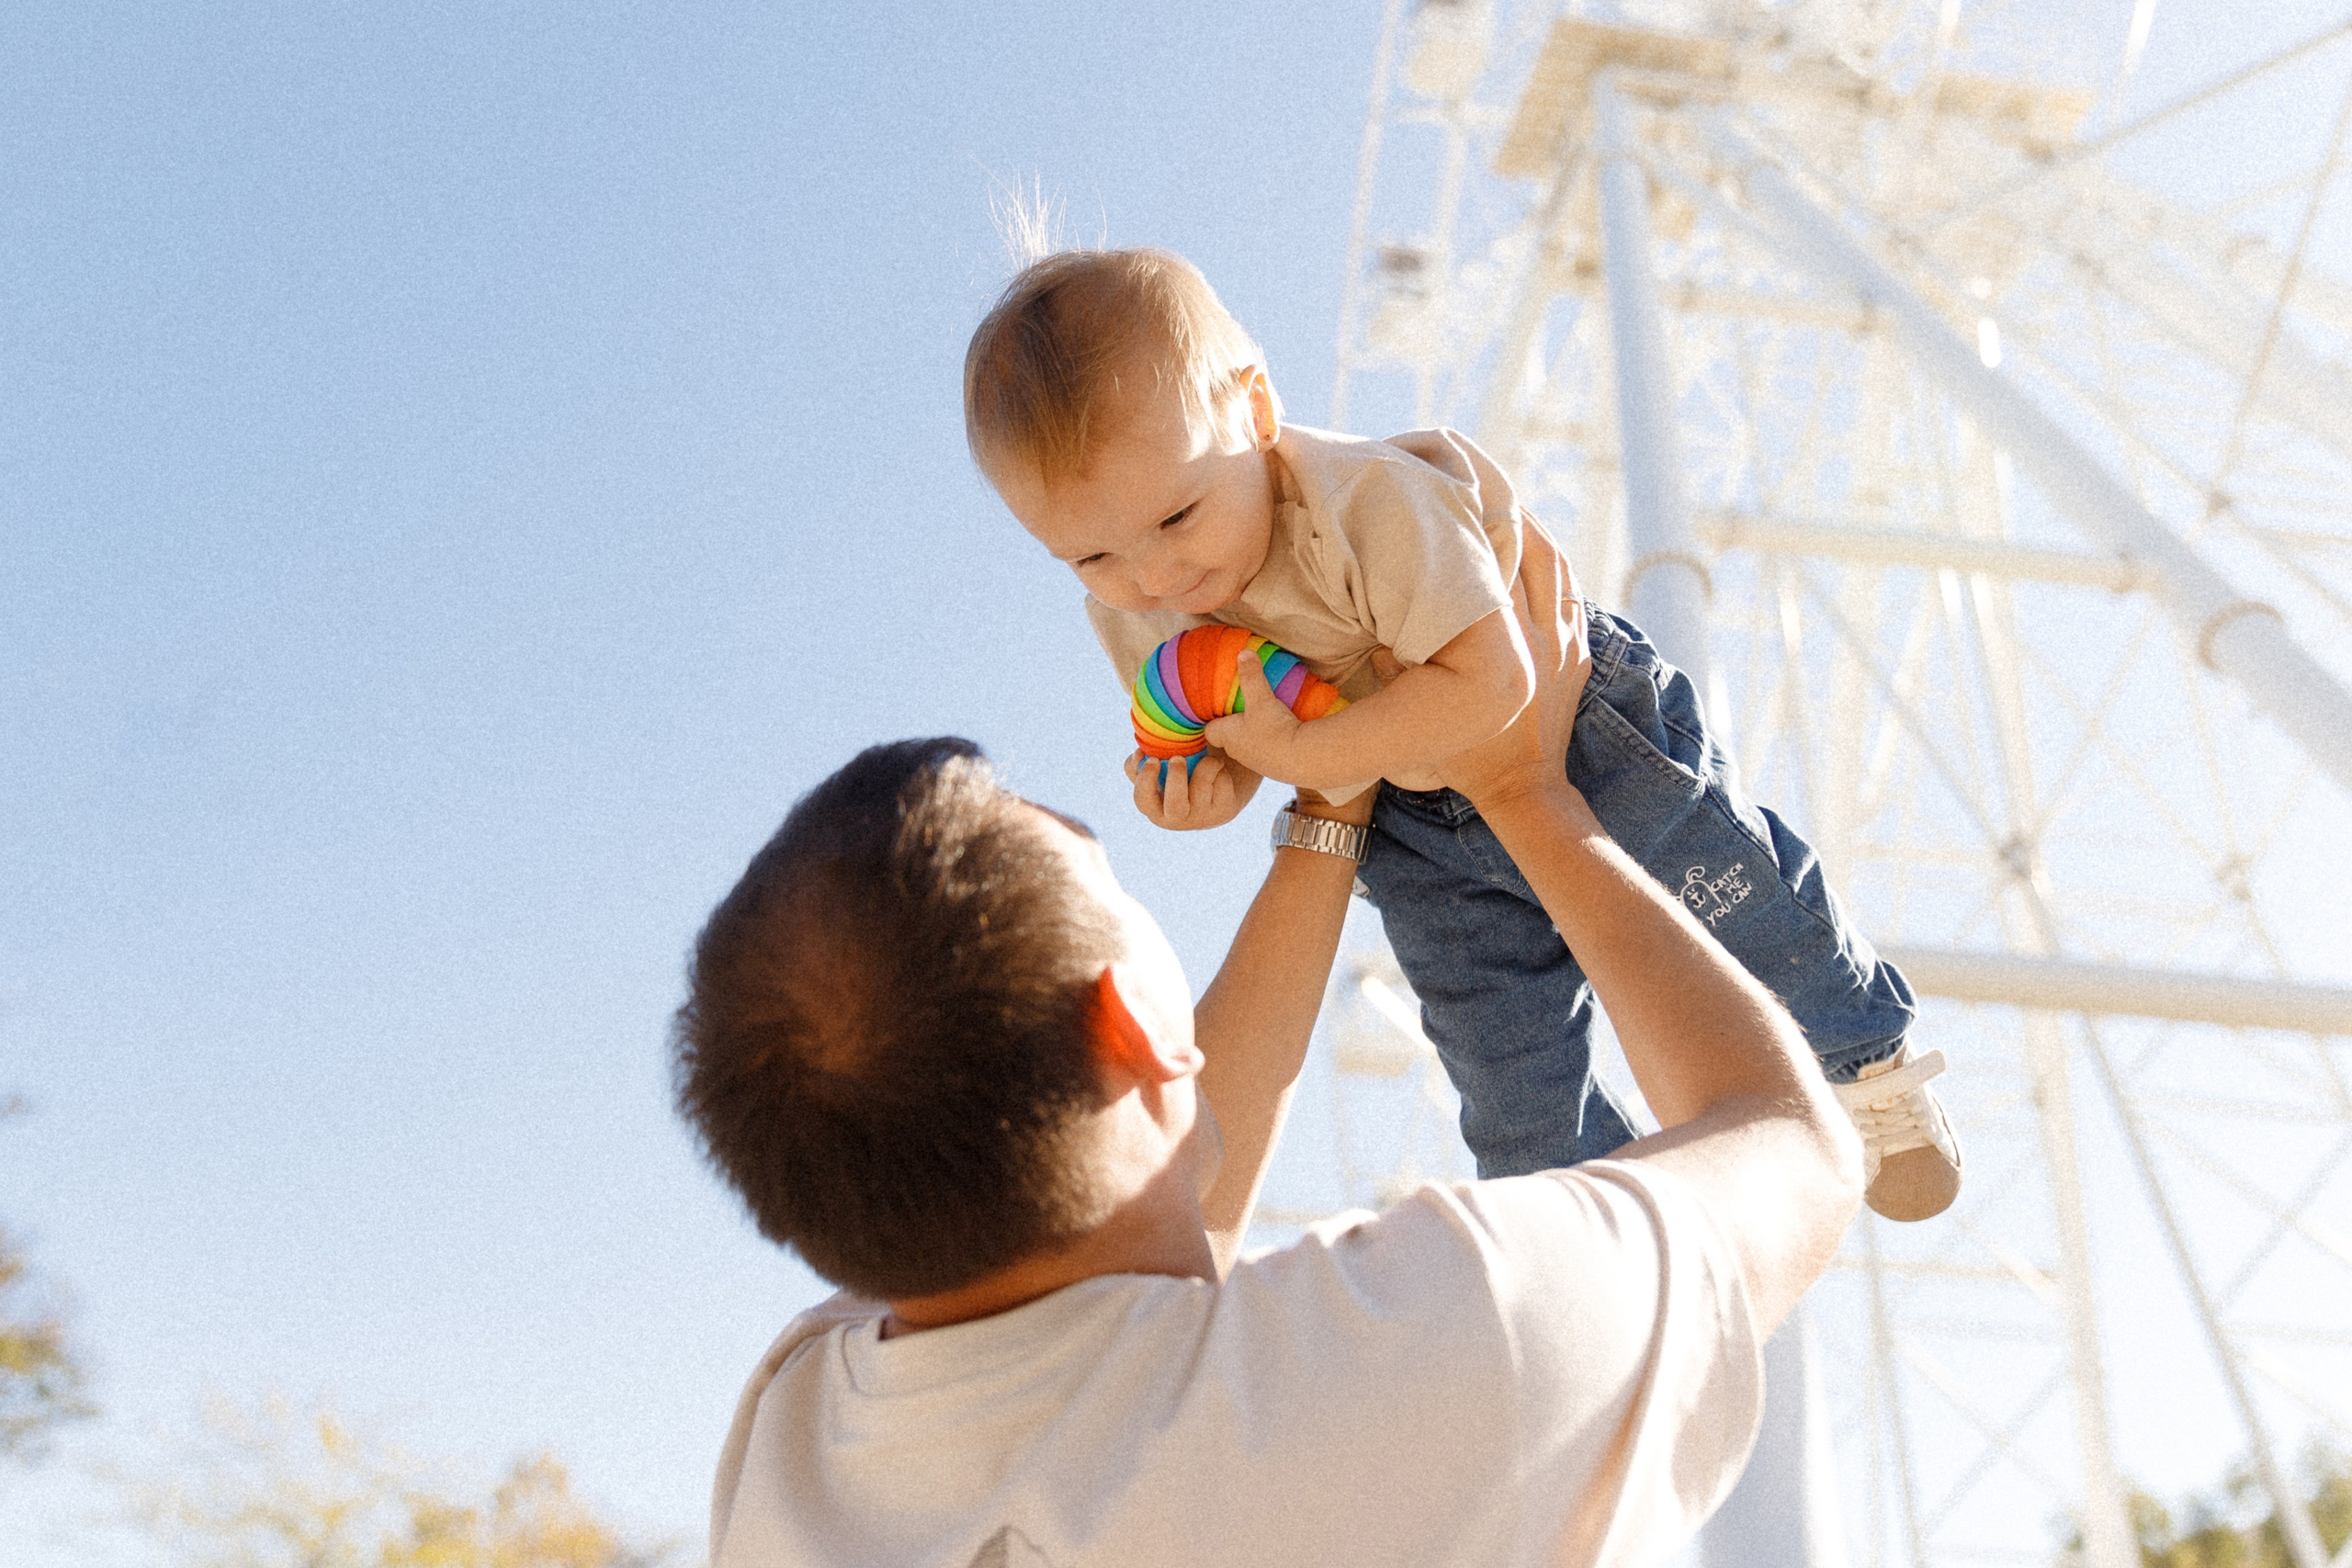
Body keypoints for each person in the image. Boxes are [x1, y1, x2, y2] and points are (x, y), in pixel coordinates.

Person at [673, 528, 1864, 1566]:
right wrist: (1524, 792)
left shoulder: (798, 1451)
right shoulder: (1450, 1343)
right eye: (1112, 877)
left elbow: (1131, 1249)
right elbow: (1795, 1147)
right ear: (1134, 1020)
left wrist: (1328, 813)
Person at [961, 244, 1959, 1220]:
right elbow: (1212, 734)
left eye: (1177, 517)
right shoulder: (1136, 611)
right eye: (1090, 555)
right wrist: (1203, 789)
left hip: (1565, 722)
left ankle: (1864, 1060)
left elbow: (1493, 683)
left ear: (1254, 412)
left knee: (1719, 882)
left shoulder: (1367, 503)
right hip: (1402, 819)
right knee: (1498, 1057)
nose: (1152, 578)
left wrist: (1305, 761)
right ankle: (1591, 1226)